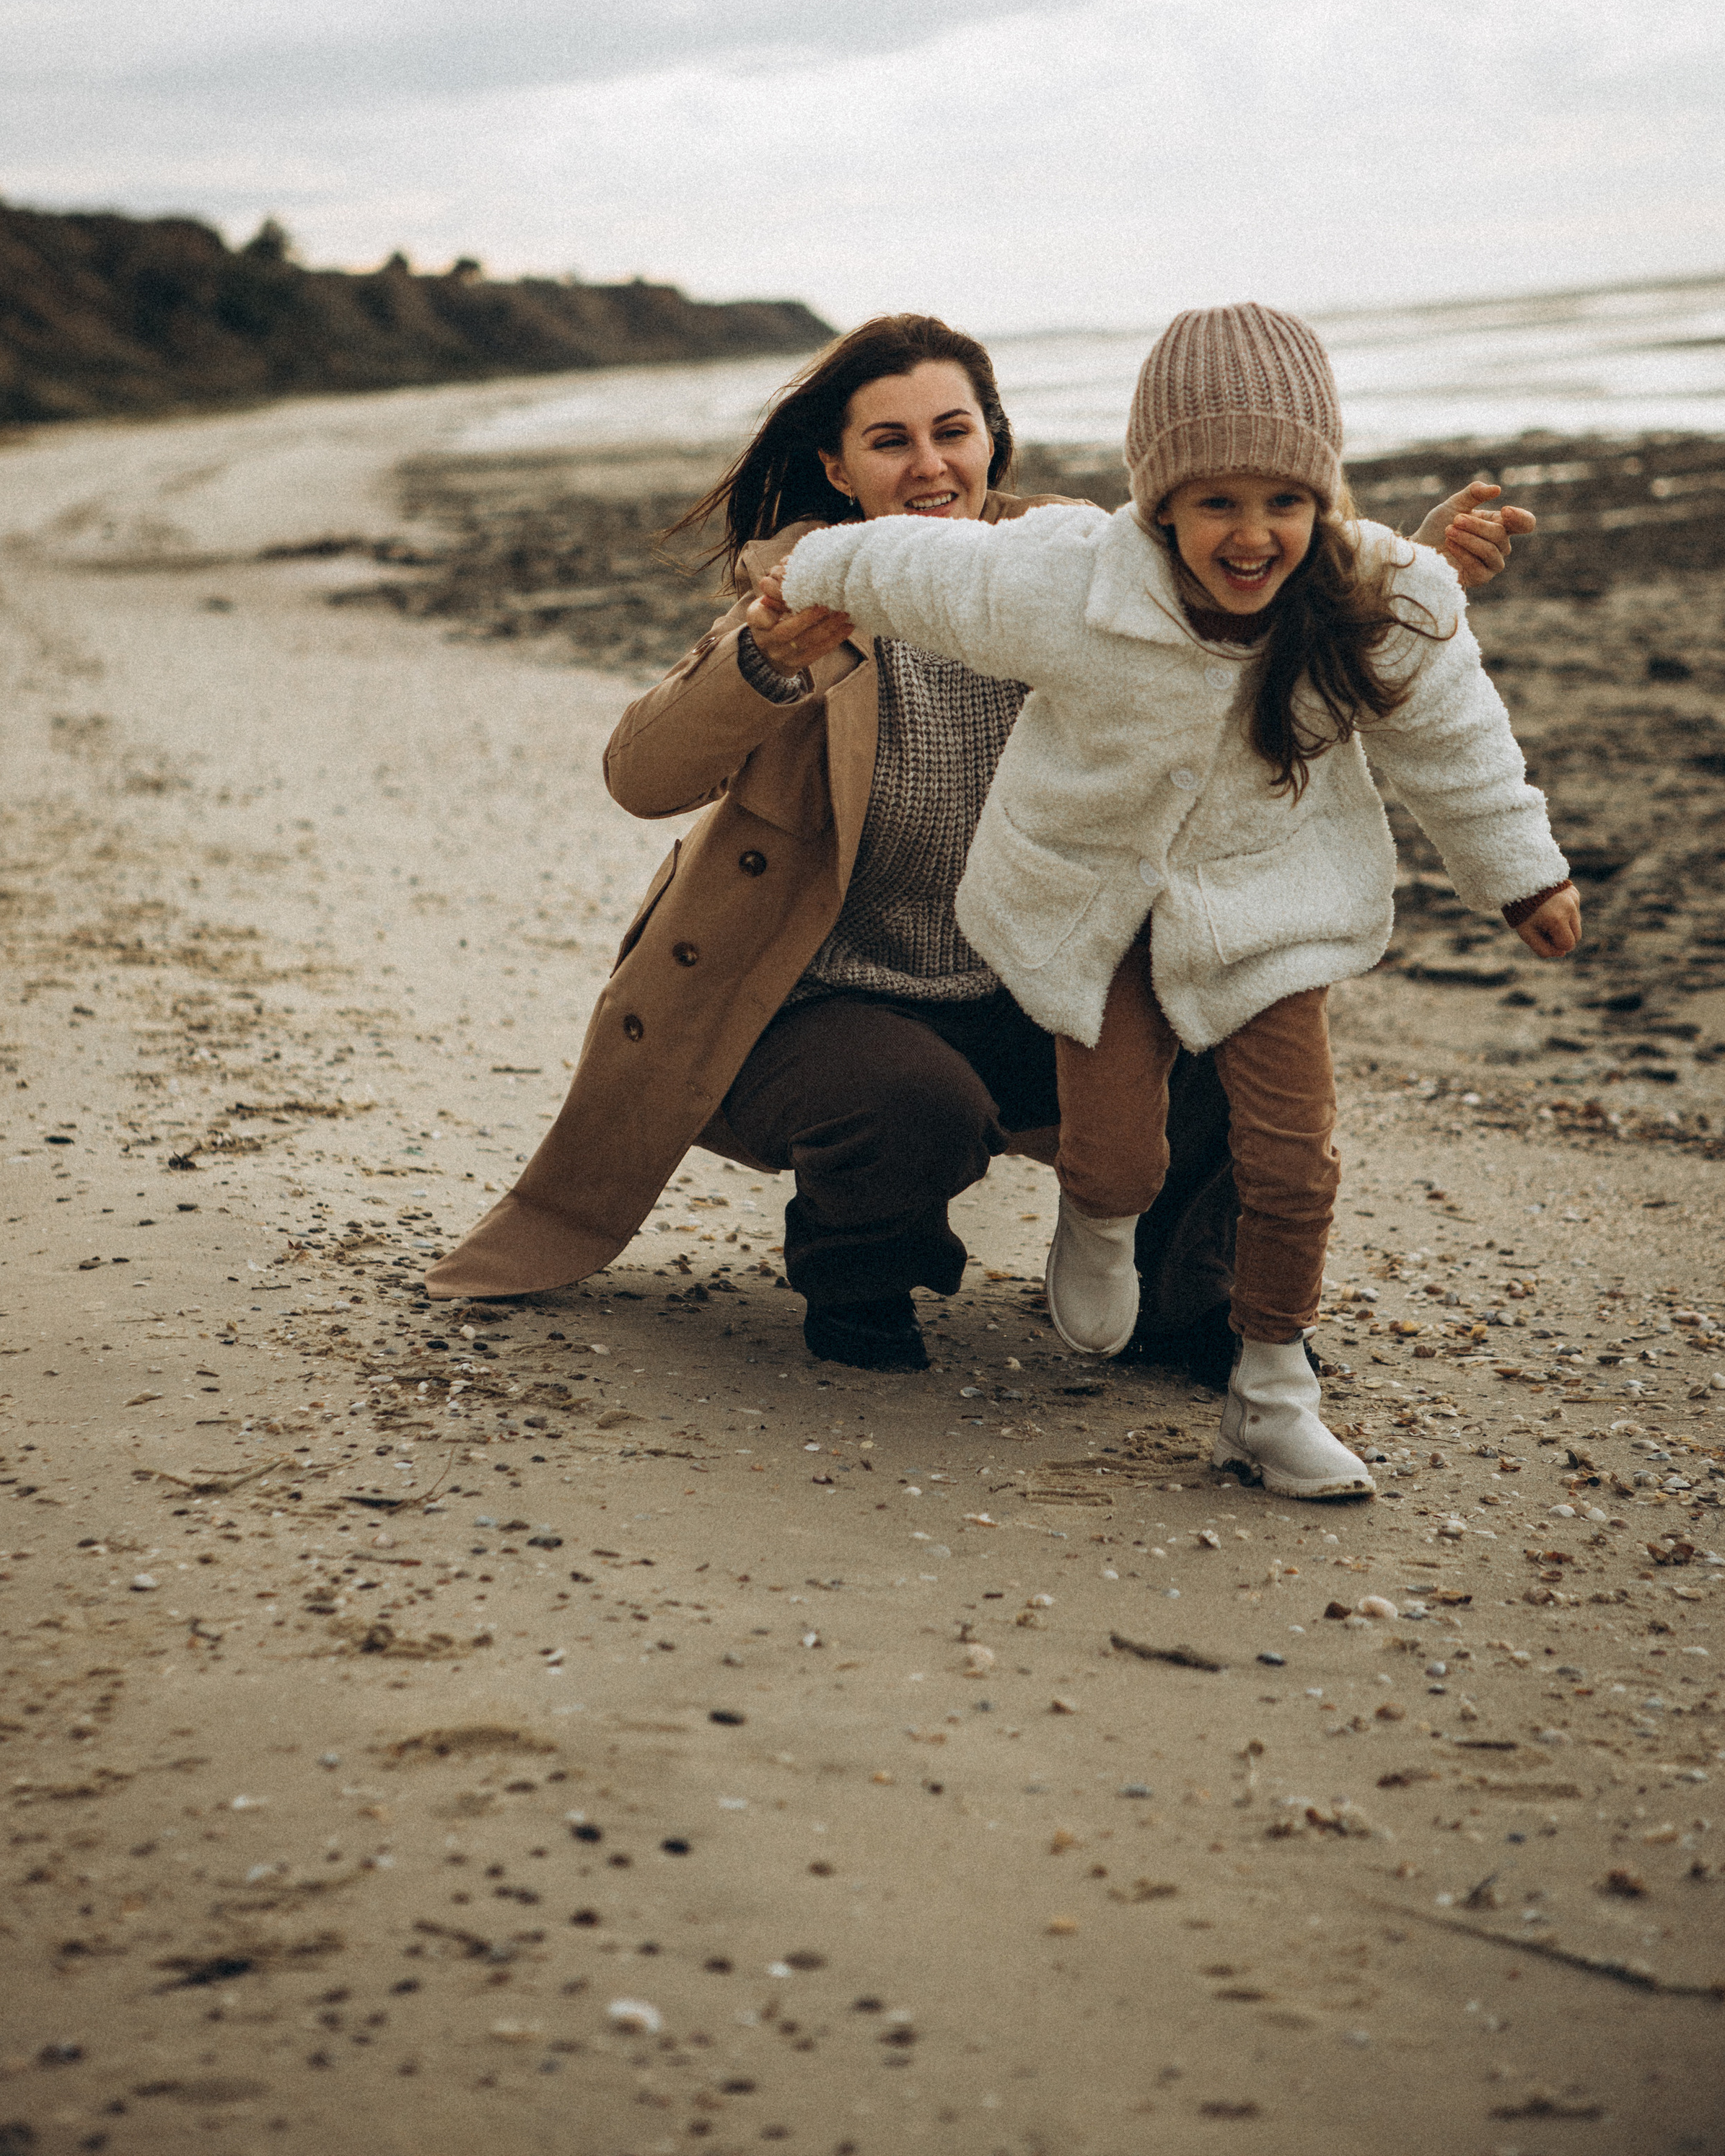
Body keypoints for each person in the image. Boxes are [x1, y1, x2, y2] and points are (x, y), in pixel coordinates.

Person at [426, 313, 1532, 1382]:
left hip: (1037, 973)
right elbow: (642, 777)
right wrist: (757, 667)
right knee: (913, 1104)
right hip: (829, 1004)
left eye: (952, 431)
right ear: (839, 466)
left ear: (993, 437)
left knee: (1225, 1012)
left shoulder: (1088, 569)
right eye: (890, 440)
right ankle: (857, 1272)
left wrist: (1410, 574)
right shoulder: (809, 591)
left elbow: (1261, 617)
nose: (929, 466)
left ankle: (1190, 1303)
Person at [771, 303, 1577, 1490]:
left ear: (1323, 502)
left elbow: (1454, 741)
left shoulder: (1371, 596)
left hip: (1270, 915)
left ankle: (1273, 1389)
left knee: (1295, 1162)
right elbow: (926, 568)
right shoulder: (1069, 577)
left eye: (1285, 504)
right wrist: (801, 570)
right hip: (1094, 919)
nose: (1251, 537)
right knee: (1116, 1156)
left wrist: (1522, 874)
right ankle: (1097, 1227)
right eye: (1216, 506)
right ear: (1160, 507)